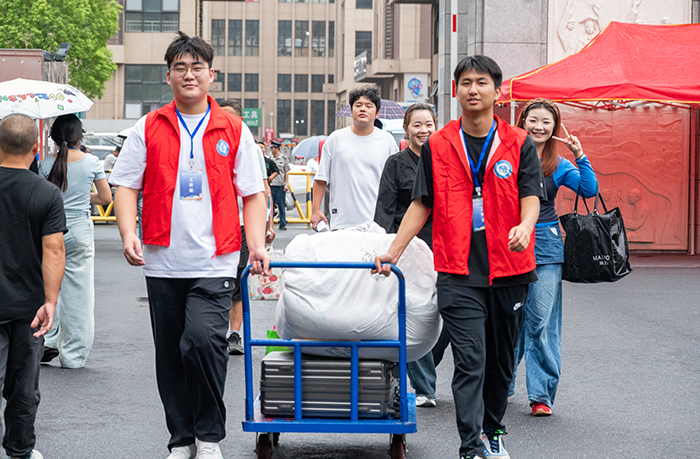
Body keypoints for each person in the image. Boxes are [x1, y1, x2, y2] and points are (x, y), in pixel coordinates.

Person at [374, 55, 545, 459]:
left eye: (482, 82)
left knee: (501, 362)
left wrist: (525, 225)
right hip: (456, 269)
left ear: (497, 91)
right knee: (471, 359)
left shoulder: (518, 142)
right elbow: (421, 203)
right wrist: (392, 252)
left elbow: (531, 195)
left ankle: (493, 429)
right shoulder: (439, 145)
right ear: (456, 90)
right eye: (466, 82)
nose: (473, 89)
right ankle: (470, 445)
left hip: (510, 269)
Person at [109, 31, 270, 459]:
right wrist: (127, 232)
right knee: (169, 355)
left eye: (197, 67)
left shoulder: (233, 129)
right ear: (168, 76)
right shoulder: (149, 127)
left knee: (201, 342)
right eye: (180, 68)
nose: (189, 75)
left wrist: (256, 244)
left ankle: (208, 435)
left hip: (216, 259)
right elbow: (125, 185)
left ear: (211, 74)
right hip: (162, 259)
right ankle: (181, 439)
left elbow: (253, 193)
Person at [509, 98, 597, 417]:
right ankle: (501, 383)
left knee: (539, 321)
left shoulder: (558, 164)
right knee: (508, 319)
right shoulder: (506, 156)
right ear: (522, 121)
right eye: (533, 120)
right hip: (509, 243)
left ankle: (541, 395)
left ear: (555, 127)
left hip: (545, 245)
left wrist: (580, 155)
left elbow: (588, 190)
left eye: (546, 122)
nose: (539, 127)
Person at [373, 103, 449, 408]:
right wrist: (385, 246)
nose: (423, 130)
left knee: (446, 312)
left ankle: (422, 362)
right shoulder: (396, 163)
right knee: (414, 311)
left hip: (443, 245)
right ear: (406, 129)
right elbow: (385, 207)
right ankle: (425, 387)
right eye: (417, 125)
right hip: (408, 248)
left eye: (429, 124)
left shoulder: (445, 160)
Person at [0, 114, 67, 459]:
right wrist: (50, 301)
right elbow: (54, 250)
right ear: (36, 147)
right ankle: (20, 449)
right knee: (24, 386)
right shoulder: (46, 192)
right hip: (29, 306)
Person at [38, 114, 112, 369]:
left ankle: (47, 339)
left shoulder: (45, 165)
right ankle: (73, 356)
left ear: (54, 137)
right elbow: (105, 198)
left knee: (50, 286)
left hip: (50, 230)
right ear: (79, 136)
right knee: (79, 293)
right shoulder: (92, 162)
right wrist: (82, 196)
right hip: (79, 230)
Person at [220, 100, 275, 356]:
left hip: (243, 224)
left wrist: (267, 226)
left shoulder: (250, 147)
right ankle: (214, 331)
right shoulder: (207, 143)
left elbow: (263, 190)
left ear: (240, 121)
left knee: (238, 280)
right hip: (216, 223)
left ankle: (234, 333)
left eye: (231, 117)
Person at [311, 85, 399, 230]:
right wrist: (315, 210)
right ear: (351, 111)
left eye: (368, 106)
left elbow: (395, 184)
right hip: (342, 221)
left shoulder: (387, 141)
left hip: (377, 222)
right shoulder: (335, 139)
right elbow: (321, 179)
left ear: (377, 113)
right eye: (358, 105)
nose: (363, 109)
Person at [268, 140, 290, 230]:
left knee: (281, 205)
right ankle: (270, 224)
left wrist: (286, 184)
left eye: (272, 148)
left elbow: (286, 172)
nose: (271, 150)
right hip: (271, 184)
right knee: (271, 206)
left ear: (277, 148)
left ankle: (282, 223)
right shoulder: (270, 159)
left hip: (280, 185)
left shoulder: (283, 159)